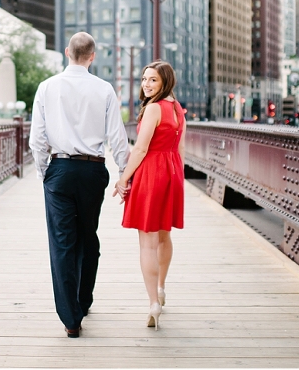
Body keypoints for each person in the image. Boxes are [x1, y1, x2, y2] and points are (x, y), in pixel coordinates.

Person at [29, 31, 130, 338]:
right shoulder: (104, 89)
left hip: (59, 169)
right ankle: (83, 300)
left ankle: (71, 318)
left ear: (66, 52)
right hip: (93, 170)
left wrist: (44, 172)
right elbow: (118, 138)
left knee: (62, 242)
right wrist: (125, 173)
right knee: (88, 236)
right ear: (92, 56)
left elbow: (37, 139)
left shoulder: (47, 87)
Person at [113, 60, 185, 331]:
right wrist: (179, 180)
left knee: (148, 242)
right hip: (172, 173)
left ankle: (154, 301)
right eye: (144, 79)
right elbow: (180, 149)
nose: (146, 84)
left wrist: (123, 179)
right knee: (164, 235)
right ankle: (162, 287)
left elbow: (141, 149)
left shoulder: (153, 109)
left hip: (152, 174)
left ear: (165, 82)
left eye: (153, 79)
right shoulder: (178, 109)